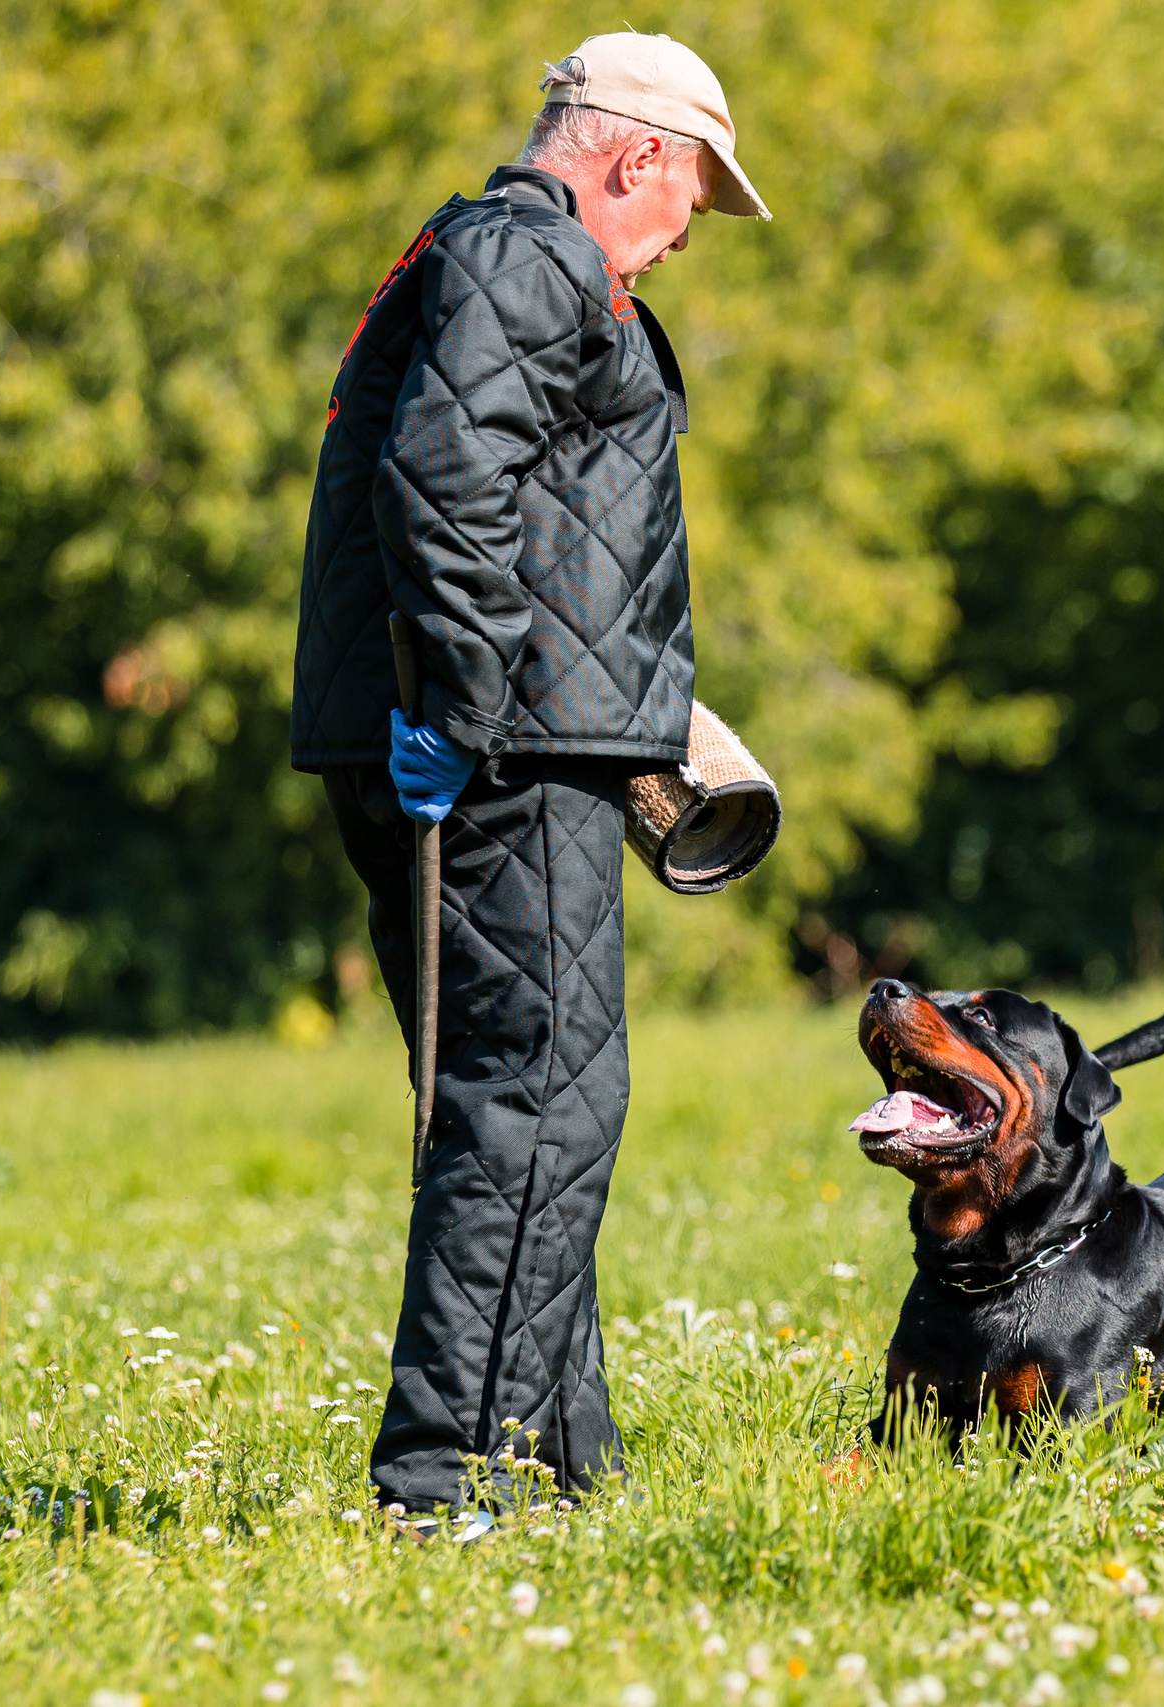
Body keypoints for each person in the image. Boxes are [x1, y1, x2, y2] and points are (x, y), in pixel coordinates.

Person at [288, 33, 770, 1521]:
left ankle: (567, 1471)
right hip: (493, 757)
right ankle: (450, 1487)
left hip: (479, 741)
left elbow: (525, 508)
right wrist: (477, 701)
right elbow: (442, 476)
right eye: (685, 211)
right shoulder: (534, 259)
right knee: (538, 1103)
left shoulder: (485, 255)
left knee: (518, 1104)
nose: (680, 244)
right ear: (638, 158)